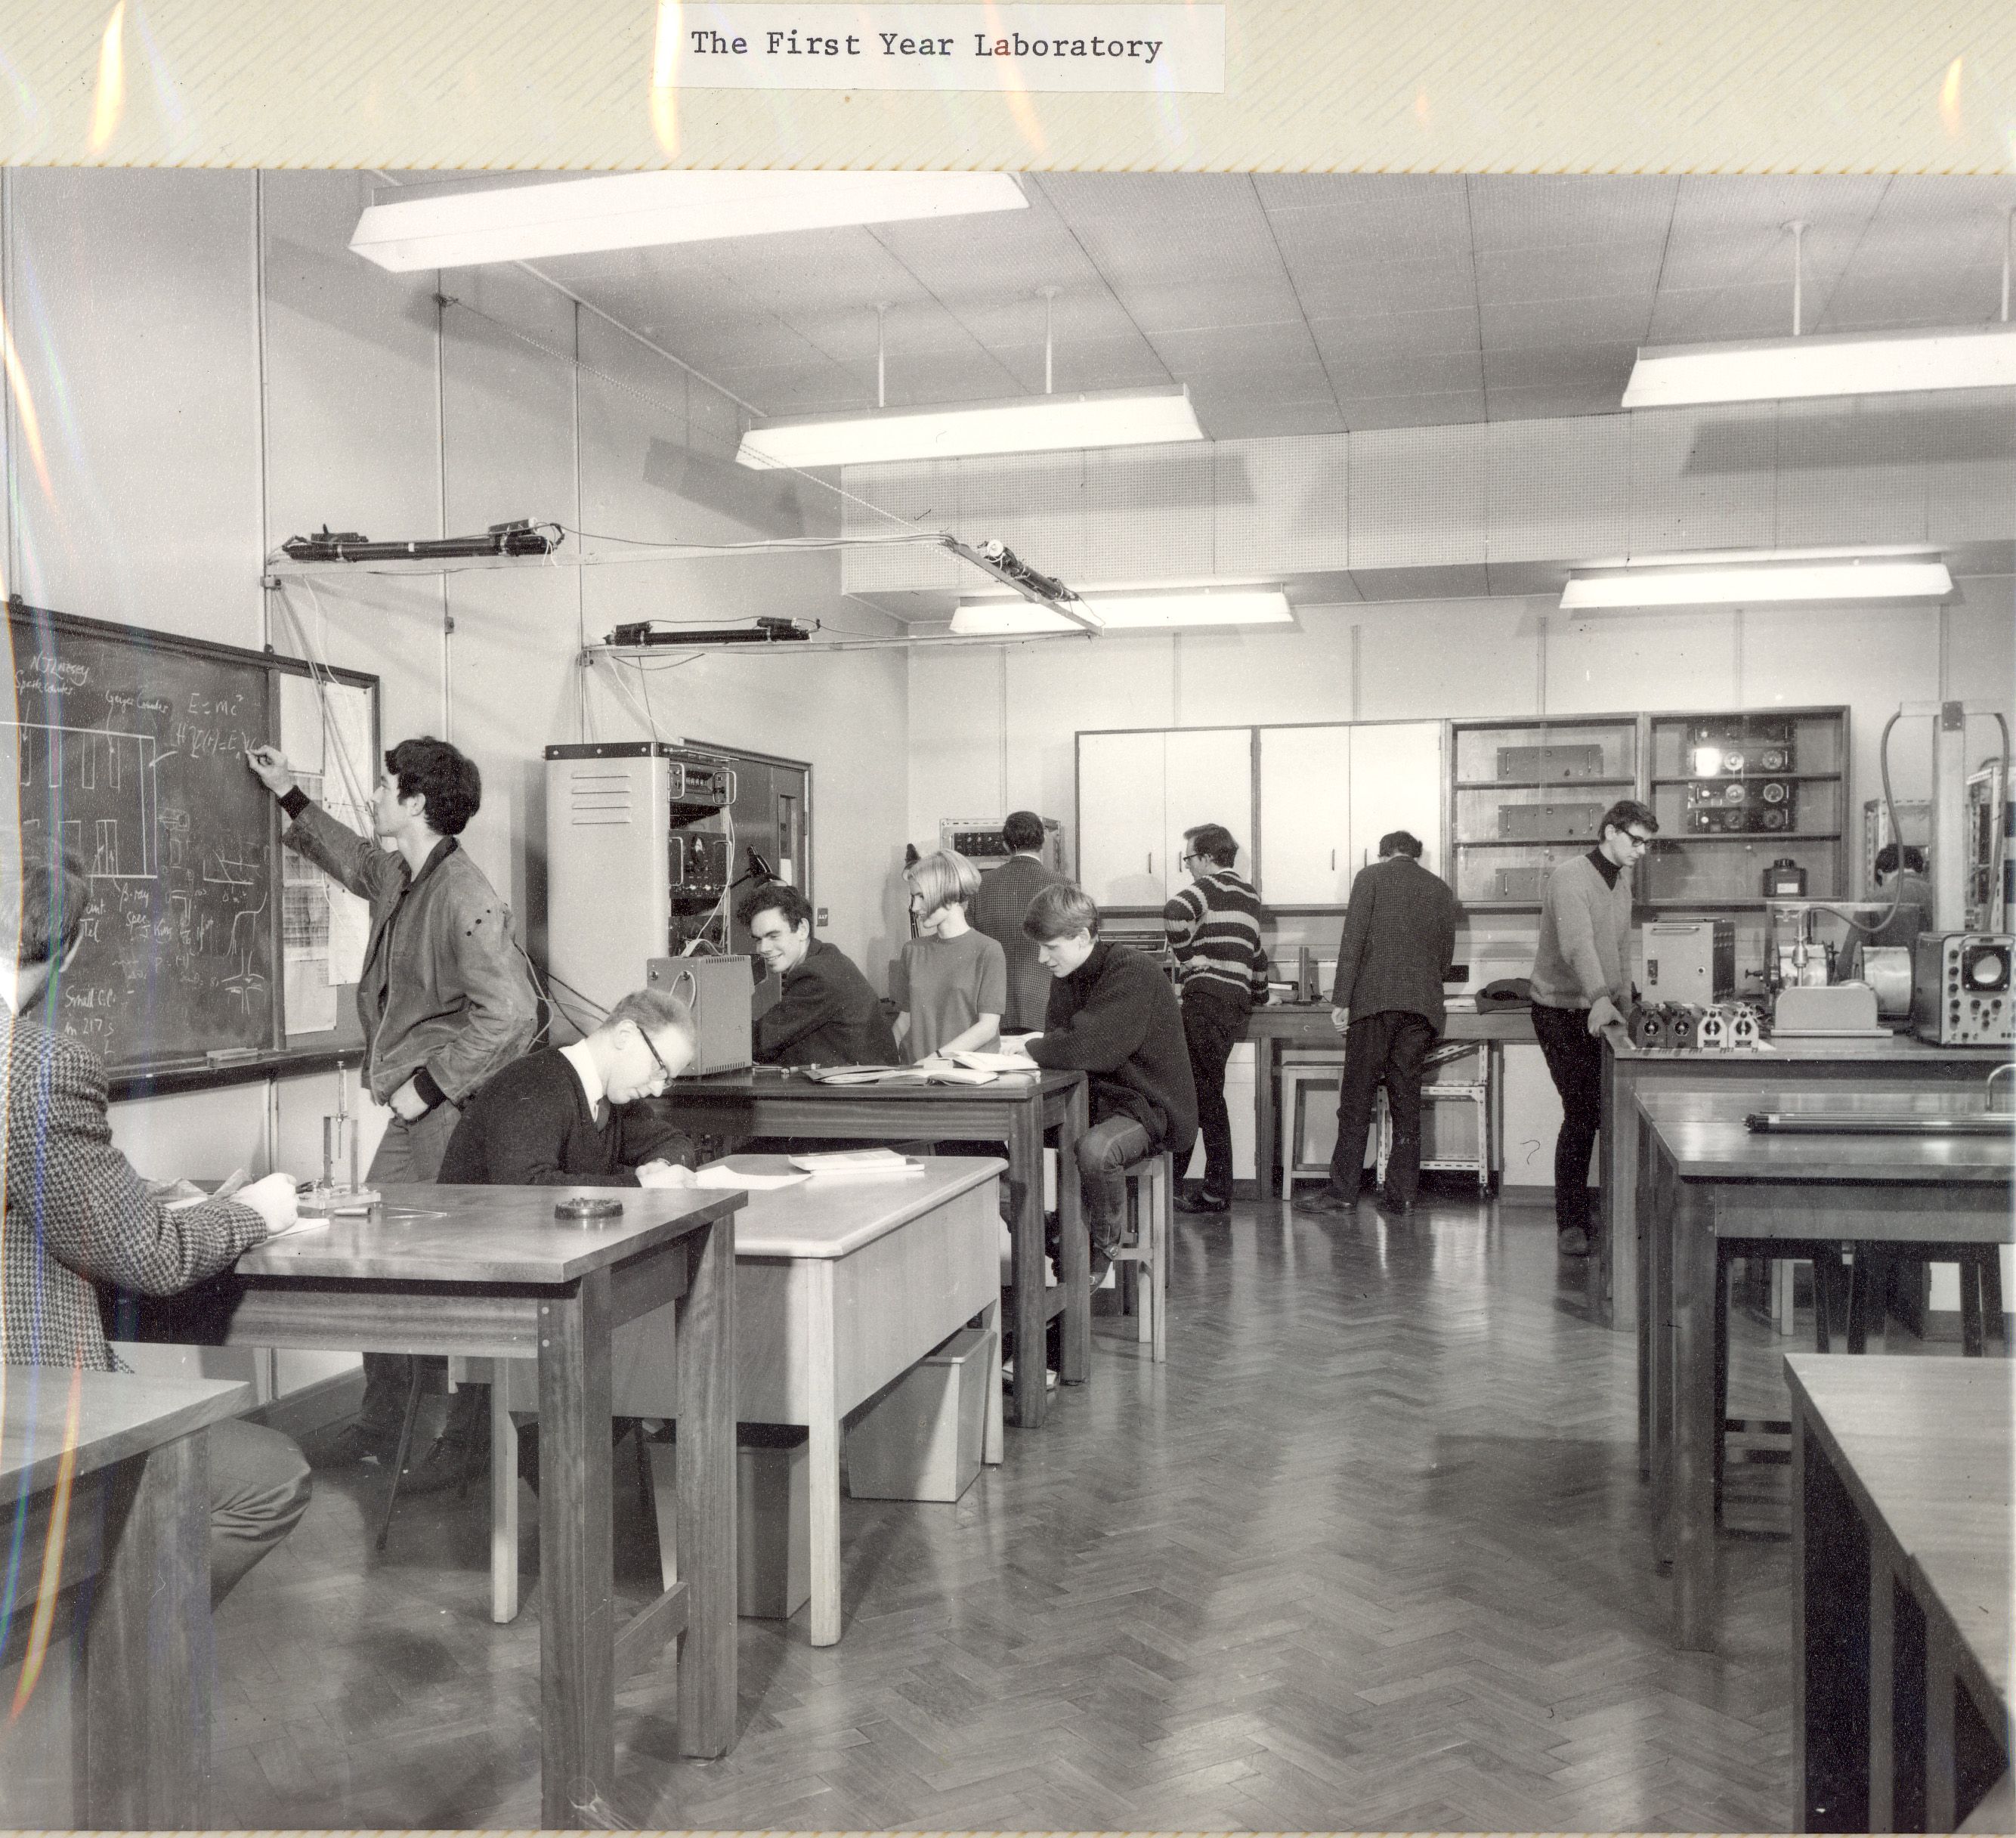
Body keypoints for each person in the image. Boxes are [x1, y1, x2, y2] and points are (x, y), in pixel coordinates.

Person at [1, 837, 311, 1605]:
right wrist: (254, 1211)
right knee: (270, 1476)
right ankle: (111, 1655)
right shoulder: (36, 1064)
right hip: (23, 1402)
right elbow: (154, 1259)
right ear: (67, 950)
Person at [247, 735, 539, 1469]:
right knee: (375, 1257)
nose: (374, 796)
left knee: (456, 1277)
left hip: (450, 1113)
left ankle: (468, 1444)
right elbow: (350, 857)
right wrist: (287, 791)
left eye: (385, 787)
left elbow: (513, 1012)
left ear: (414, 801)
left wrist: (432, 1084)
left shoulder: (464, 894)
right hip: (416, 1114)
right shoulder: (403, 875)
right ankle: (387, 1428)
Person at [1013, 882, 1198, 1283]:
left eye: (1050, 947)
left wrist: (1031, 1047)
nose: (1042, 958)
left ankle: (1102, 1246)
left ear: (1082, 937)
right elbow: (1065, 1044)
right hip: (1092, 1103)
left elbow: (1088, 1048)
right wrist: (1048, 1046)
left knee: (1096, 1152)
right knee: (981, 1142)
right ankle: (1047, 1233)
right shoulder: (1070, 972)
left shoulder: (1131, 971)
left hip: (1146, 1107)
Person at [1294, 831, 1458, 1221]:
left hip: (1374, 1003)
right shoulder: (1439, 888)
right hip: (1421, 1006)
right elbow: (1446, 957)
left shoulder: (1370, 877)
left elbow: (1353, 941)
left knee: (1356, 1101)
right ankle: (1402, 1196)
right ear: (1416, 855)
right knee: (1406, 1102)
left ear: (1384, 854)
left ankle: (1343, 1192)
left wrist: (1341, 1000)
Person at [1529, 798, 1659, 1258]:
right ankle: (1571, 1223)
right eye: (1636, 841)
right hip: (1561, 1009)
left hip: (1600, 1008)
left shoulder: (1619, 884)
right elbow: (1577, 946)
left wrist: (1626, 1003)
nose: (1641, 852)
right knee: (1582, 1113)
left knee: (1608, 1115)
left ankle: (1604, 1213)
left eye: (1647, 845)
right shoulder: (1569, 878)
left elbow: (1620, 951)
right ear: (1610, 832)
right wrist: (1601, 999)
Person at [438, 987, 699, 1184]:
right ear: (625, 1036)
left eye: (666, 1079)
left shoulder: (613, 1096)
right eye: (658, 1069)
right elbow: (527, 1190)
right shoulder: (534, 1084)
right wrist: (641, 1184)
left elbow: (674, 1141)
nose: (656, 1090)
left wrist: (661, 1164)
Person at [1164, 823, 1270, 1215]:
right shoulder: (1249, 894)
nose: (1187, 867)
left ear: (1207, 858)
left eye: (1189, 859)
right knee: (1204, 1091)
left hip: (1206, 1001)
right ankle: (1194, 1186)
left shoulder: (1209, 888)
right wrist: (1256, 994)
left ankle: (1210, 1190)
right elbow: (1256, 953)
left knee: (1198, 1095)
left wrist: (1191, 961)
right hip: (1232, 1005)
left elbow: (1174, 913)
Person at [741, 880, 899, 1065]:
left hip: (861, 1089)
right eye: (758, 939)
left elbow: (759, 1043)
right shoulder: (825, 956)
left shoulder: (817, 975)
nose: (763, 948)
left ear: (802, 929)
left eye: (773, 936)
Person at [892, 850, 1008, 1061]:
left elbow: (987, 1028)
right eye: (912, 897)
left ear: (948, 894)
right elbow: (904, 1021)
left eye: (921, 897)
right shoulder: (912, 951)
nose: (914, 907)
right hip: (918, 1076)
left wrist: (936, 1060)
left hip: (969, 1078)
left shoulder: (988, 950)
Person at [969, 811, 1066, 1032]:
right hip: (1046, 1008)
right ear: (1042, 842)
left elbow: (970, 948)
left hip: (993, 1011)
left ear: (1004, 845)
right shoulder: (1064, 887)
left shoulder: (979, 887)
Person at [1837, 842, 1935, 983]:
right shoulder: (1941, 899)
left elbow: (1848, 965)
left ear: (1881, 873)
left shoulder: (1874, 900)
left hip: (1892, 993)